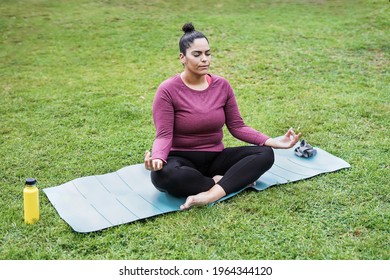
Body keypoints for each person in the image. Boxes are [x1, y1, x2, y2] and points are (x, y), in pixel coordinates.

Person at [144, 23, 301, 210]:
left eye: (207, 54)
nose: (205, 59)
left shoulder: (222, 85)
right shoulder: (167, 90)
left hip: (215, 158)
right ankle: (220, 182)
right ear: (182, 58)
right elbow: (164, 135)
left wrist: (272, 142)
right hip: (181, 160)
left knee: (265, 154)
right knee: (163, 176)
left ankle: (211, 194)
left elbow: (237, 126)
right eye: (197, 54)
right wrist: (159, 158)